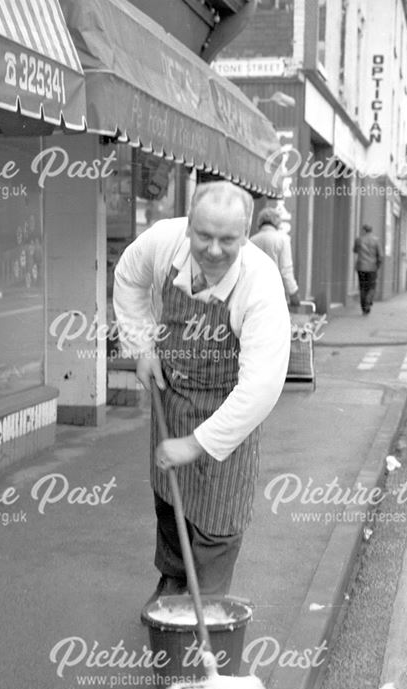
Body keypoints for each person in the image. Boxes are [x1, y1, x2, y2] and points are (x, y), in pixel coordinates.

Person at [113, 181, 291, 605]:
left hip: (230, 405)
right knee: (169, 501)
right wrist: (141, 348)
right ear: (189, 224)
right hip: (171, 393)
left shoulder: (260, 283)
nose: (213, 250)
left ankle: (204, 610)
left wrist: (196, 444)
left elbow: (261, 385)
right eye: (204, 236)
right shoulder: (161, 241)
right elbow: (128, 277)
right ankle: (172, 584)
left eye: (227, 239)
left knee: (219, 522)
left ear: (245, 236)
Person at [249, 206, 302, 307]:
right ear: (277, 222)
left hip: (254, 292)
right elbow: (286, 270)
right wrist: (293, 293)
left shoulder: (252, 240)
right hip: (275, 292)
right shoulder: (283, 239)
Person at [353, 223, 383, 314]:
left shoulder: (359, 239)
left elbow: (354, 250)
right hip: (372, 267)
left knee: (362, 287)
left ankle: (364, 308)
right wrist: (377, 265)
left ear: (364, 230)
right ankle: (368, 301)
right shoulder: (376, 241)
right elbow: (380, 256)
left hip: (361, 266)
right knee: (372, 286)